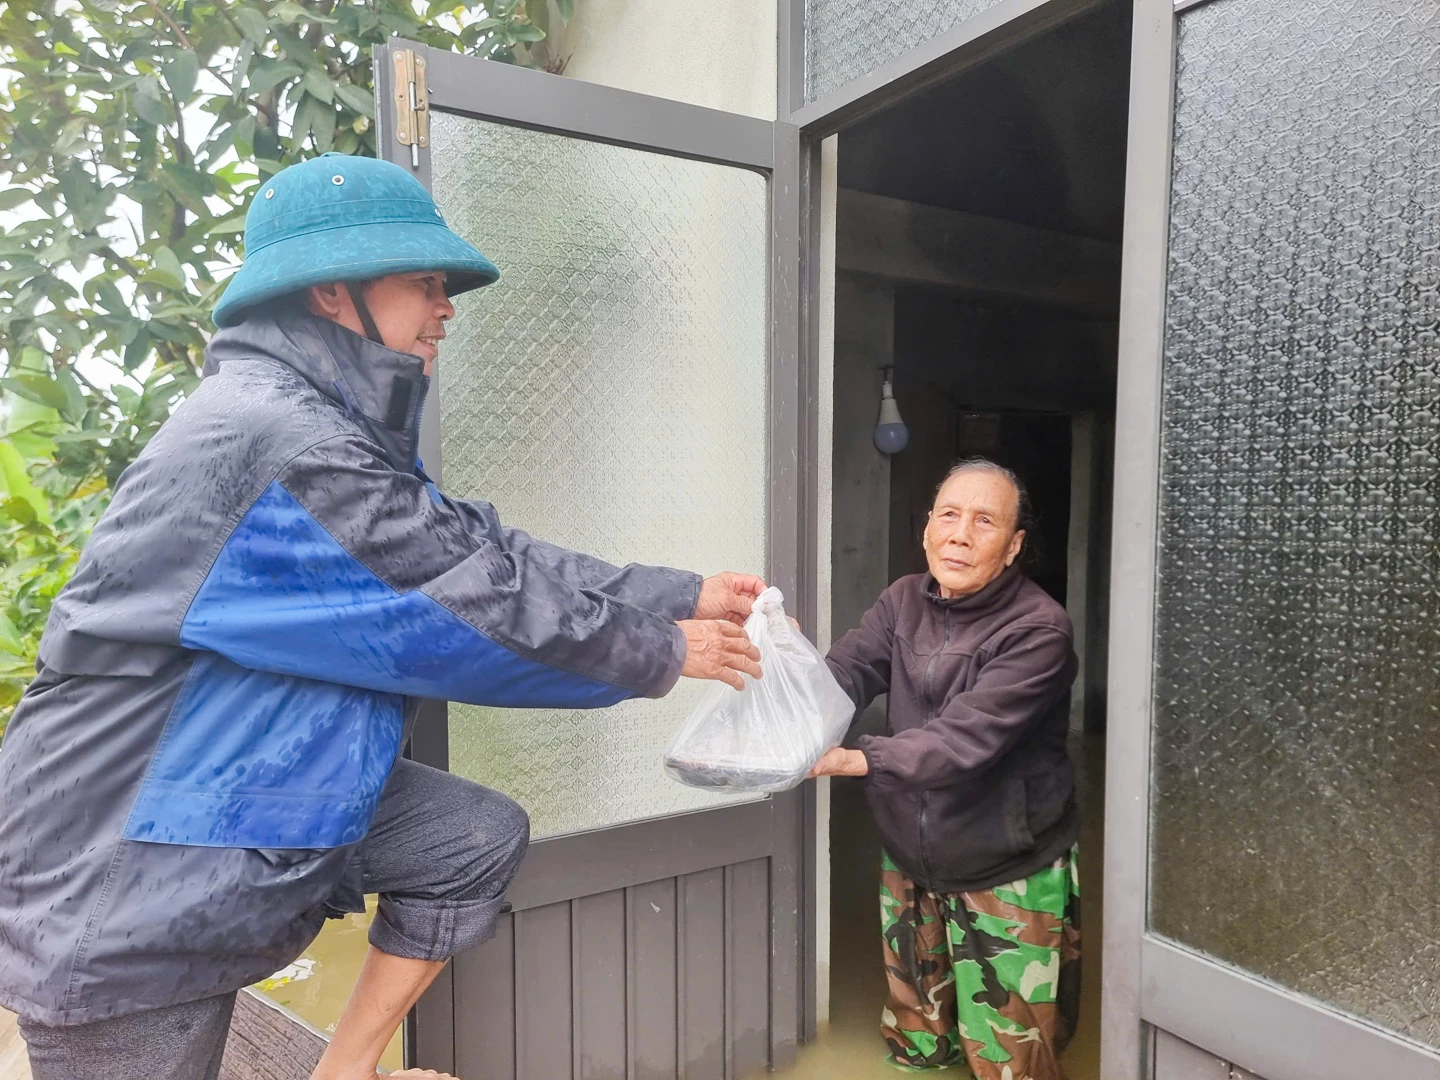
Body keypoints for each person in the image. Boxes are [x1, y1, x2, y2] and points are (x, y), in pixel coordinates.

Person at [0, 153, 767, 1080]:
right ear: (332, 291)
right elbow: (457, 610)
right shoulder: (286, 440)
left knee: (467, 838)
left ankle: (344, 1068)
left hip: (239, 783)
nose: (447, 308)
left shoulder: (318, 425)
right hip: (126, 863)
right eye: (425, 282)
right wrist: (661, 648)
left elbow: (480, 552)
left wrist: (677, 594)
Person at [812, 457, 1080, 1080]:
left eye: (984, 521)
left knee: (1013, 1061)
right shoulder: (903, 600)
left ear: (1013, 546)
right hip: (910, 855)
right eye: (949, 515)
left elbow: (966, 738)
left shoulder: (1039, 629)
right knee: (917, 1044)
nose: (960, 535)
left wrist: (858, 758)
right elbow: (846, 672)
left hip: (1004, 862)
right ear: (927, 528)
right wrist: (786, 679)